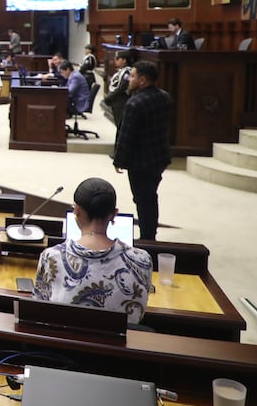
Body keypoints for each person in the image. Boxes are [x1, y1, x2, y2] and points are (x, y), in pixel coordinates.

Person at [33, 178, 152, 323]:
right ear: (114, 214)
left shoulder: (52, 257)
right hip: (121, 339)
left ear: (76, 211)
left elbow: (38, 312)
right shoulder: (142, 260)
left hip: (66, 338)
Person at [112, 61, 172, 241]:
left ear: (142, 80)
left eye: (132, 76)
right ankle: (150, 234)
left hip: (140, 162)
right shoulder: (165, 97)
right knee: (150, 197)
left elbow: (126, 135)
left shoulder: (134, 104)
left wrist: (118, 160)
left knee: (143, 200)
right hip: (159, 157)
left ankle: (147, 238)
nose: (129, 79)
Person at [102, 50, 134, 129]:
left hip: (121, 101)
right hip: (116, 100)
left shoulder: (127, 71)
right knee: (118, 124)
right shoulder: (121, 71)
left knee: (121, 125)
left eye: (117, 59)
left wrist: (110, 97)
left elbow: (122, 87)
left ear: (124, 60)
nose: (115, 60)